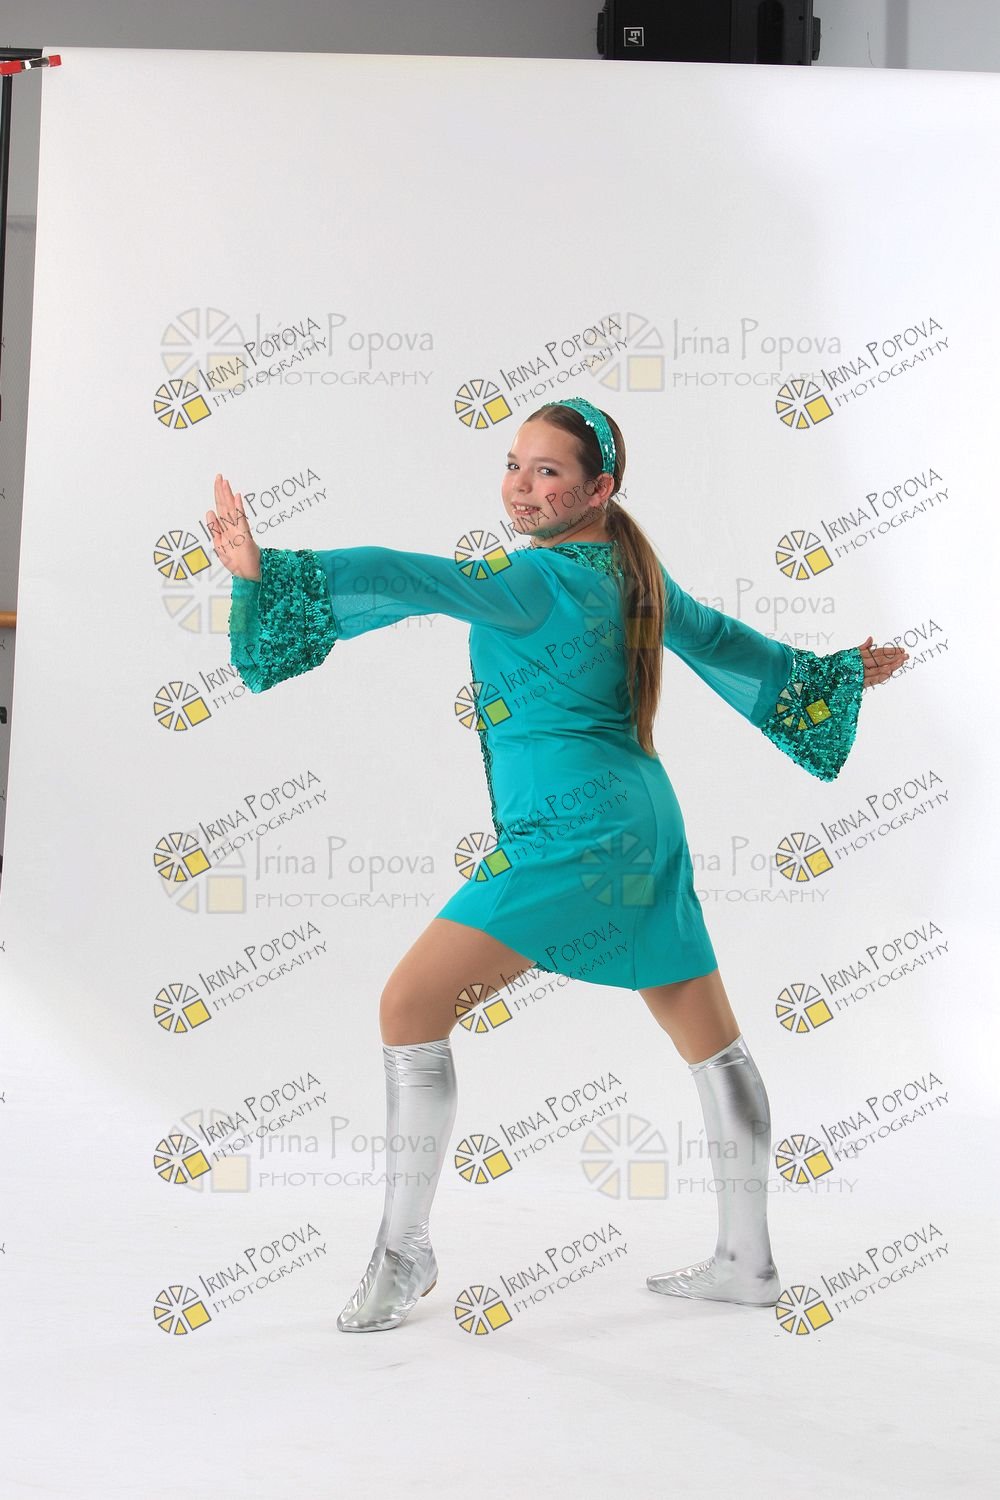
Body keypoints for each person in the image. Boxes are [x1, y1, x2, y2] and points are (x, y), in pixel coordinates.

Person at [207, 396, 908, 1334]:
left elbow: (406, 575)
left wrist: (265, 573)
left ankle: (404, 1253)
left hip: (569, 835)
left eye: (547, 472)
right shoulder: (633, 570)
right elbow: (726, 644)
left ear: (597, 487)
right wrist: (831, 678)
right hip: (644, 820)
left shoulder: (537, 579)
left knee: (410, 1006)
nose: (522, 487)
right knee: (709, 1036)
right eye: (514, 465)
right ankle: (748, 1260)